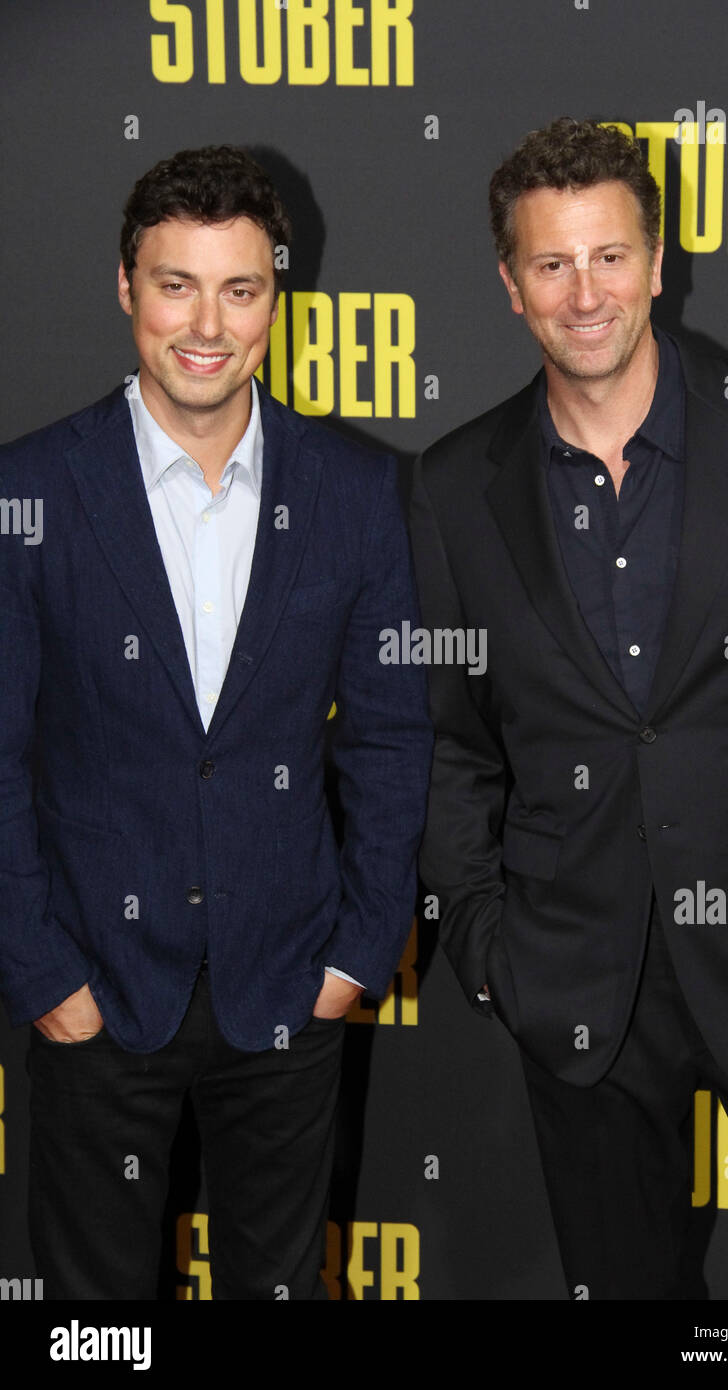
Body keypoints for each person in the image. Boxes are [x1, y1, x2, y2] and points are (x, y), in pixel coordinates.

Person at [410, 117, 728, 1300]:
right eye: (550, 264)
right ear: (509, 285)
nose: (583, 294)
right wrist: (485, 944)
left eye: (608, 256)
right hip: (577, 986)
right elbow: (450, 741)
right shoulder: (456, 485)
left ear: (657, 263)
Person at [0, 144, 432, 1300]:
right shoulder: (28, 492)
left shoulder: (352, 491)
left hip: (287, 989)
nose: (207, 322)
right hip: (91, 990)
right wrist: (42, 973)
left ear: (274, 300)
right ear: (126, 288)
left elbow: (392, 735)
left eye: (238, 288)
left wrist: (354, 954)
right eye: (176, 283)